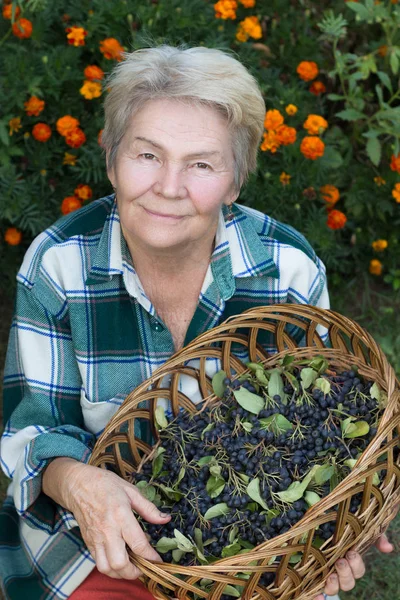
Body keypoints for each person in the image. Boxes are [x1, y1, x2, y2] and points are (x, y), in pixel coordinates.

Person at [0, 44, 394, 600]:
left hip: (254, 557)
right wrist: (82, 482)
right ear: (111, 158)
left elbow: (324, 425)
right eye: (147, 155)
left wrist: (339, 527)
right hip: (99, 549)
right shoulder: (59, 264)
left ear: (235, 181)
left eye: (202, 164)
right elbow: (32, 433)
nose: (168, 186)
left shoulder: (286, 269)